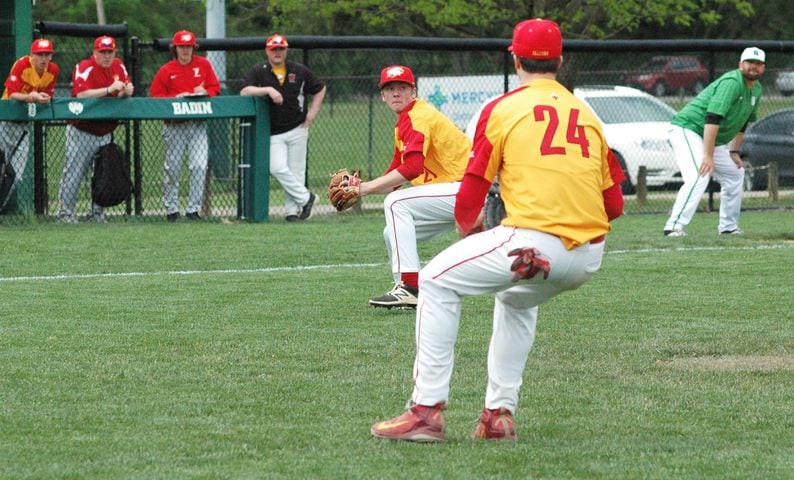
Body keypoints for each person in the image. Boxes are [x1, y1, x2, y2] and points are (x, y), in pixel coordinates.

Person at [371, 18, 624, 442]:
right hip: (588, 255)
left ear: (515, 58)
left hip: (530, 243)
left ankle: (425, 413)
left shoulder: (502, 107)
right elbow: (613, 205)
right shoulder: (588, 114)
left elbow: (471, 192)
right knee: (516, 300)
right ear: (561, 61)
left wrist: (471, 229)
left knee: (433, 280)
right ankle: (497, 417)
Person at [353, 65, 471, 309]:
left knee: (396, 204)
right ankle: (405, 292)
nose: (396, 93)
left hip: (470, 188)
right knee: (391, 231)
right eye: (390, 88)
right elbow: (397, 173)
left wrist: (364, 190)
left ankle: (410, 287)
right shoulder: (405, 122)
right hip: (456, 192)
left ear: (413, 92)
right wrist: (363, 186)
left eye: (402, 88)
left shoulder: (417, 116)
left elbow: (413, 168)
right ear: (382, 96)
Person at [663, 47, 765, 237]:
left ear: (763, 68)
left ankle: (728, 227)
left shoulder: (757, 90)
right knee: (699, 174)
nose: (754, 66)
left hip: (709, 137)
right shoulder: (732, 82)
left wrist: (734, 152)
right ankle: (673, 226)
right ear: (740, 65)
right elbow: (712, 118)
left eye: (758, 64)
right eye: (750, 62)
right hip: (688, 129)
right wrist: (708, 156)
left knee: (735, 174)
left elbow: (742, 122)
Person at [240, 34, 325, 222]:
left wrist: (313, 112)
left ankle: (292, 212)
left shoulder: (299, 70)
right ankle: (306, 198)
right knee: (277, 167)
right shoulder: (259, 70)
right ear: (267, 51)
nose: (277, 52)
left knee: (296, 171)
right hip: (273, 131)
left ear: (286, 50)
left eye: (280, 49)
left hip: (298, 127)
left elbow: (320, 88)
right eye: (273, 49)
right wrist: (267, 90)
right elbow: (245, 90)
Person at [57, 36, 134, 224]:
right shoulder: (85, 66)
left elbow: (124, 89)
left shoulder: (119, 66)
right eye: (102, 52)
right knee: (74, 172)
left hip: (105, 130)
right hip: (82, 130)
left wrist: (126, 90)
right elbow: (82, 94)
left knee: (103, 173)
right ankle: (65, 214)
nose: (107, 56)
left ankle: (97, 213)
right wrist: (109, 89)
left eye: (110, 52)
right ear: (95, 52)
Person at [150, 30, 221, 221]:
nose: (185, 50)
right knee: (173, 167)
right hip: (175, 125)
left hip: (197, 123)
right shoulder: (166, 70)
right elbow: (156, 96)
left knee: (199, 165)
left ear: (193, 48)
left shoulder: (203, 64)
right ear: (175, 48)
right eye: (181, 46)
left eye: (188, 46)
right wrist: (175, 99)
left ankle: (193, 209)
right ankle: (171, 209)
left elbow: (215, 88)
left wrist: (205, 91)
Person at [1, 39, 60, 199]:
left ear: (51, 56)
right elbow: (12, 94)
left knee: (16, 173)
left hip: (24, 125)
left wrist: (43, 98)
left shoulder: (53, 70)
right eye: (39, 54)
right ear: (31, 55)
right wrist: (30, 96)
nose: (43, 58)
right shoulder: (22, 65)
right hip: (5, 120)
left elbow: (48, 94)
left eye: (47, 54)